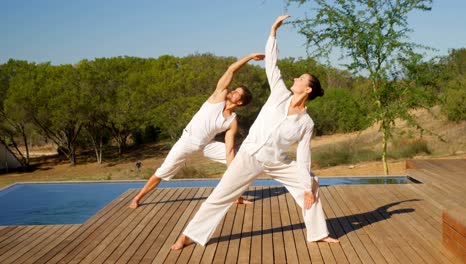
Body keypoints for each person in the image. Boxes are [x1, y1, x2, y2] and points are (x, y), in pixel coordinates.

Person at [171, 15, 339, 250]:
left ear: (308, 88)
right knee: (221, 195)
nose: (295, 78)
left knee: (310, 183)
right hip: (249, 155)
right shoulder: (280, 93)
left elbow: (303, 156)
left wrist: (306, 188)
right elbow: (272, 64)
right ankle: (189, 235)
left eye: (300, 78)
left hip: (277, 161)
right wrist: (273, 33)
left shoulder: (306, 123)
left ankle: (318, 232)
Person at [129, 52, 265, 209]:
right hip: (187, 141)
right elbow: (231, 70)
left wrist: (233, 167)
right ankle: (137, 198)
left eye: (236, 93)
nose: (232, 91)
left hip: (206, 145)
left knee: (239, 161)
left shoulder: (232, 121)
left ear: (240, 102)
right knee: (162, 172)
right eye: (234, 89)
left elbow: (228, 151)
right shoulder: (218, 96)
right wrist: (249, 57)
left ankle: (236, 196)